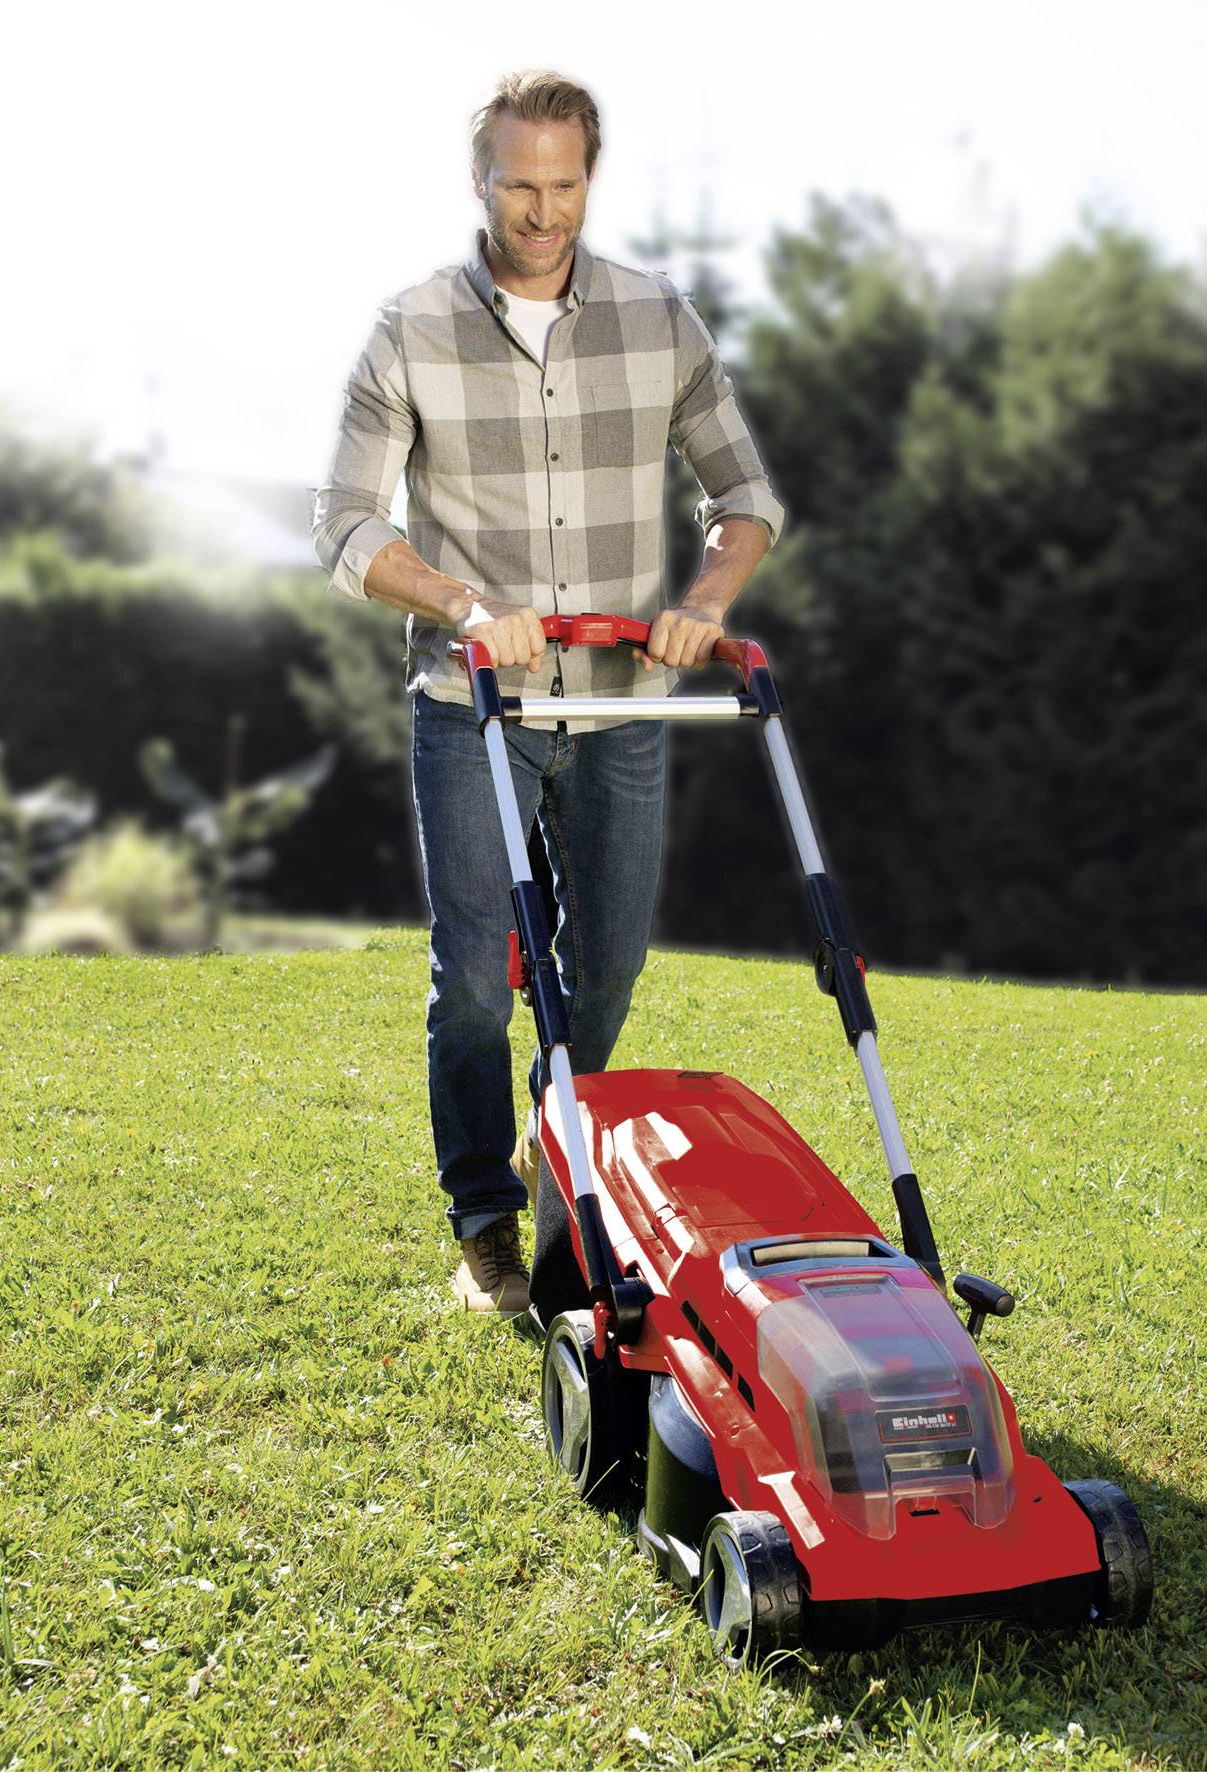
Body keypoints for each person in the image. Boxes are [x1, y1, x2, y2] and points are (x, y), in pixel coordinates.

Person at [311, 68, 785, 1314]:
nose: (543, 209)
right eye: (520, 183)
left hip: (626, 705)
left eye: (564, 183)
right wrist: (466, 605)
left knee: (610, 965)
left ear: (589, 177)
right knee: (474, 973)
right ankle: (485, 1222)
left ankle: (548, 1134)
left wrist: (703, 605)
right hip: (473, 705)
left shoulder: (656, 318)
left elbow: (746, 497)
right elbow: (345, 524)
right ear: (481, 183)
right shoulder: (410, 327)